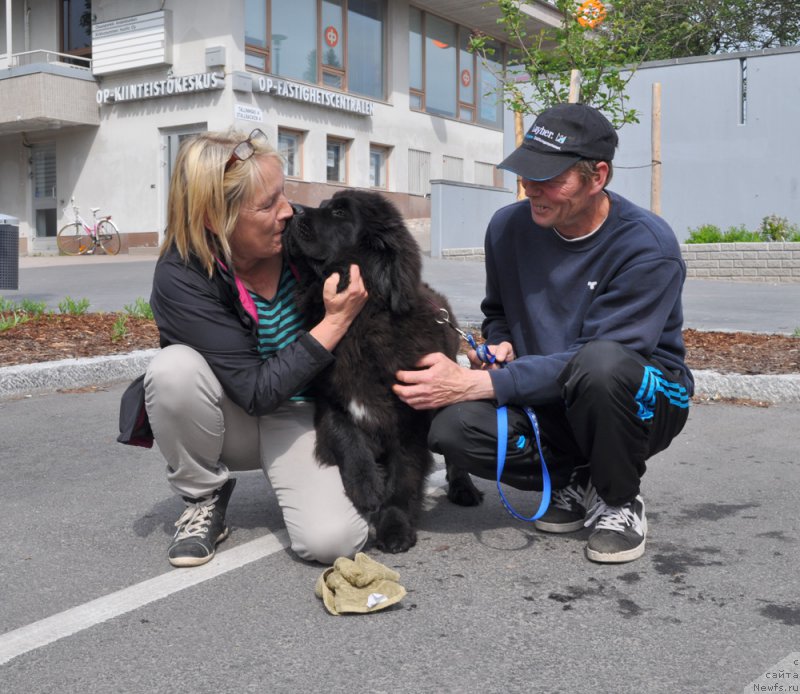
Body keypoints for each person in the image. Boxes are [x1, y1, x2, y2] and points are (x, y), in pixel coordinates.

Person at [393, 103, 693, 564]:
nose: (531, 188)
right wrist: (499, 343)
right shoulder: (507, 229)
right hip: (550, 395)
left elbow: (600, 357)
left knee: (600, 366)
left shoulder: (646, 246)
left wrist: (480, 382)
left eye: (551, 178)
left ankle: (618, 499)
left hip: (641, 395)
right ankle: (571, 475)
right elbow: (499, 312)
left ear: (598, 177)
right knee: (452, 427)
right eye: (526, 173)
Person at [118, 128, 370, 568]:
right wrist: (334, 323)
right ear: (217, 219)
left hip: (306, 411)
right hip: (234, 412)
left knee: (332, 542)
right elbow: (255, 392)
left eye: (283, 194)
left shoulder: (304, 233)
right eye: (268, 204)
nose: (287, 211)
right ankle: (204, 496)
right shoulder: (182, 275)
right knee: (172, 370)